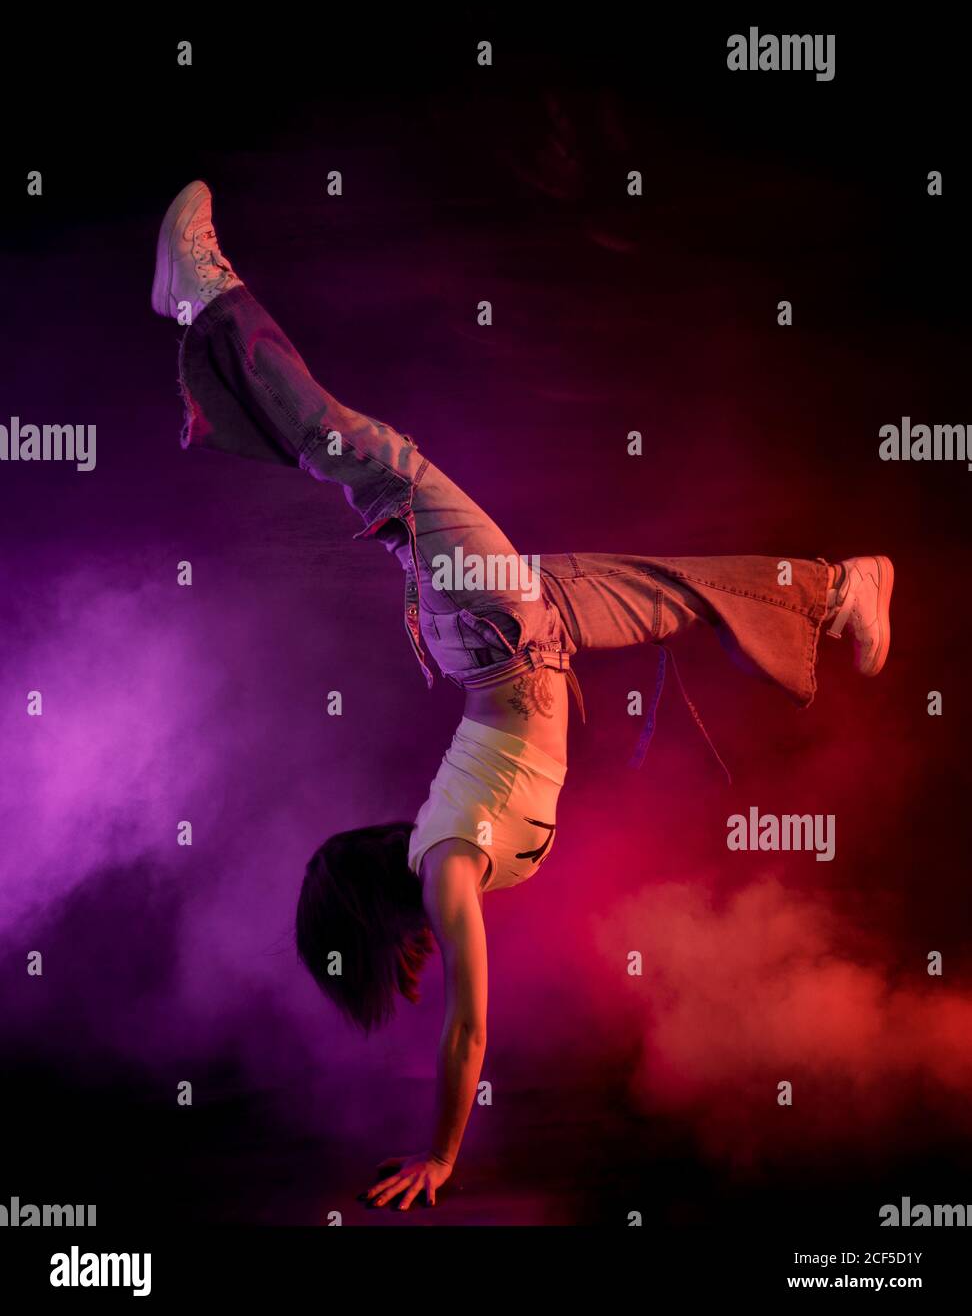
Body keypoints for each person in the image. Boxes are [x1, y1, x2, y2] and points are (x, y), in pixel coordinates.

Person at [153, 180, 894, 1211]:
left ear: (382, 919)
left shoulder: (453, 863)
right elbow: (463, 1021)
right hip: (511, 630)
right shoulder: (446, 863)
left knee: (374, 465)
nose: (413, 971)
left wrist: (444, 1156)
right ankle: (841, 587)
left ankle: (206, 298)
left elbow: (466, 1029)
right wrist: (443, 1146)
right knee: (635, 574)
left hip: (498, 636)